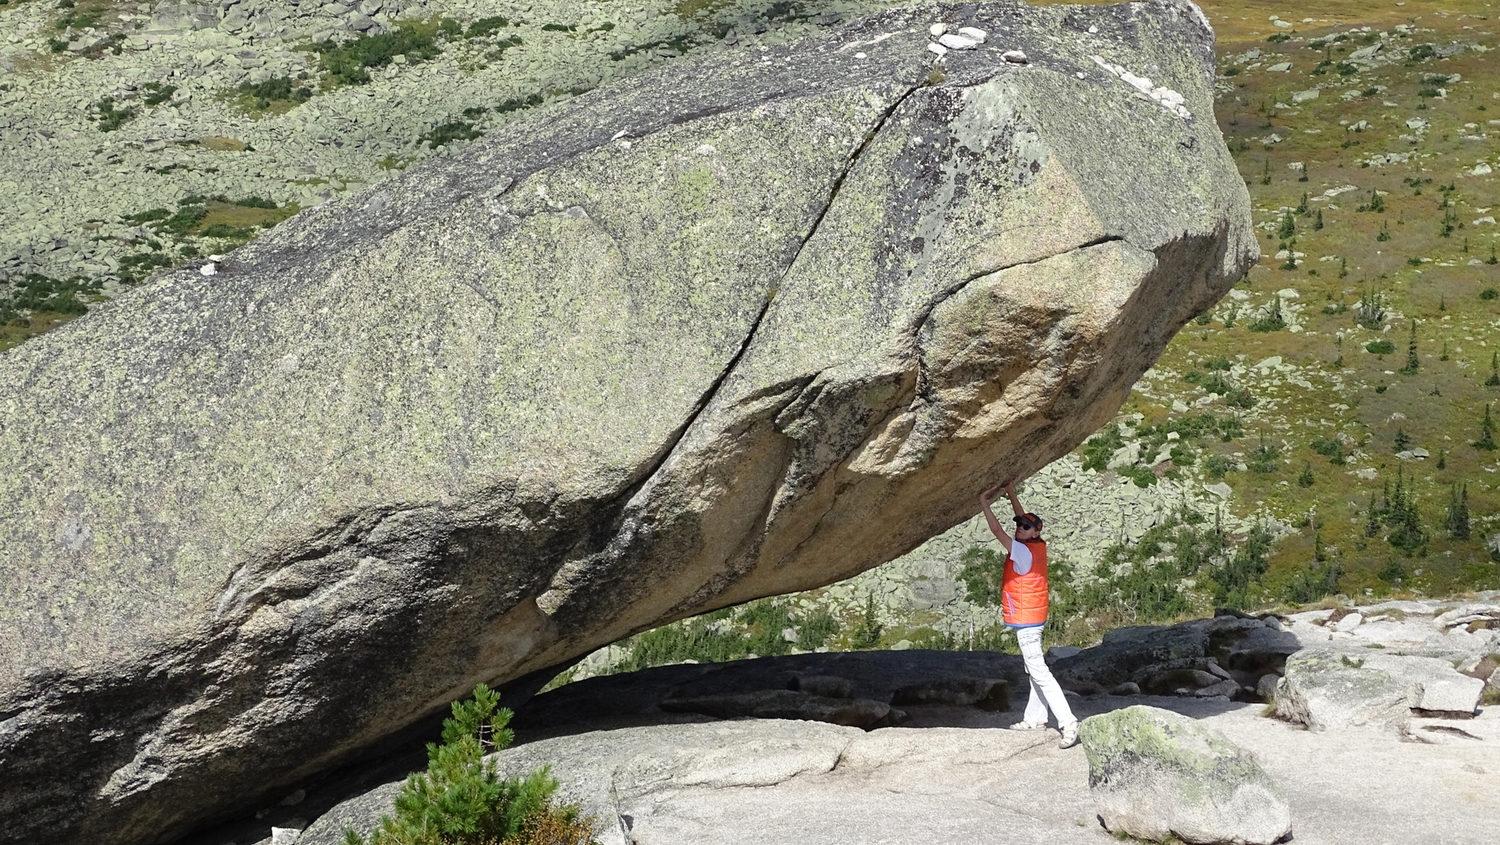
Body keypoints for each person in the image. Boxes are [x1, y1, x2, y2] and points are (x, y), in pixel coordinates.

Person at [979, 479, 1080, 749]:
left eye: (1025, 527)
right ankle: (1035, 718)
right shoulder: (1036, 546)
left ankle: (1068, 722)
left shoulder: (1021, 551)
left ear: (1034, 532)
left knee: (1039, 671)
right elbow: (1023, 520)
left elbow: (996, 530)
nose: (1019, 528)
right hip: (1035, 616)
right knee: (1032, 668)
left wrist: (983, 502)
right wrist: (1011, 493)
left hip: (1027, 622)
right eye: (1019, 525)